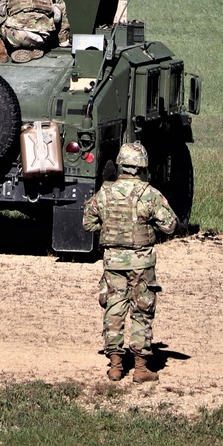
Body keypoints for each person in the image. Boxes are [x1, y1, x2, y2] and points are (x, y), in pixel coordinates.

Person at [81, 141, 177, 384]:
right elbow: (170, 225)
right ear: (142, 166)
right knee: (141, 311)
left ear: (121, 165)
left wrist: (112, 229)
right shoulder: (150, 195)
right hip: (141, 263)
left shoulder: (104, 194)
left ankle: (115, 366)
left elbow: (88, 224)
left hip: (113, 262)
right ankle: (141, 368)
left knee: (113, 309)